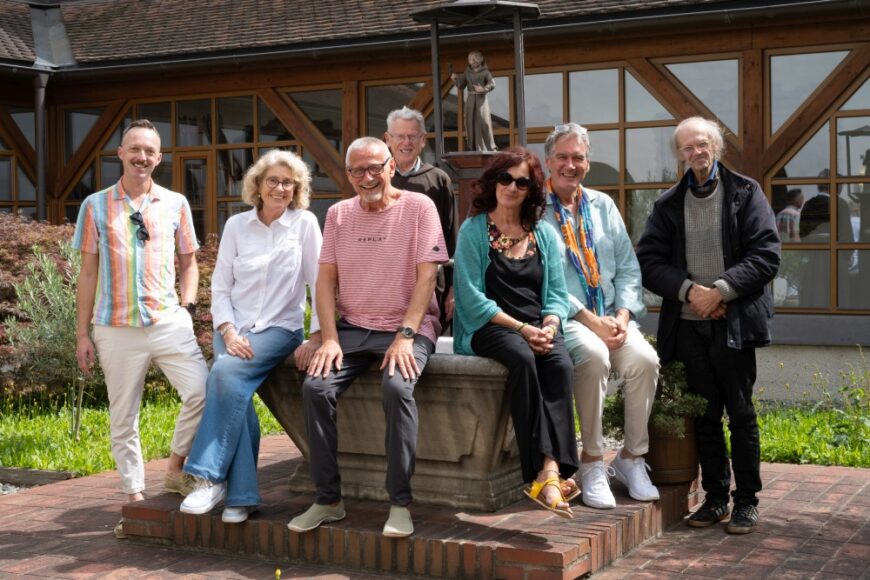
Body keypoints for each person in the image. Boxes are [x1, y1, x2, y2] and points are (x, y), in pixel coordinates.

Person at [287, 137, 447, 538]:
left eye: (375, 167)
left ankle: (400, 504)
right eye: (357, 170)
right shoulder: (338, 214)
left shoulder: (419, 207)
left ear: (392, 166)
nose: (367, 176)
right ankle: (328, 500)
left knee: (396, 387)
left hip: (406, 327)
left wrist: (407, 335)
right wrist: (327, 338)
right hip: (353, 329)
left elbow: (428, 275)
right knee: (316, 388)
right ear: (348, 175)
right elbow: (324, 282)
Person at [636, 117, 780, 535]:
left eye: (701, 145)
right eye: (686, 148)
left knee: (740, 413)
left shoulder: (746, 193)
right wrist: (690, 293)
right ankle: (715, 498)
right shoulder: (667, 204)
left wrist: (719, 291)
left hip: (733, 321)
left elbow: (766, 254)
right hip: (686, 324)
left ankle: (746, 502)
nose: (695, 153)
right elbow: (649, 262)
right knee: (704, 416)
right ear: (679, 155)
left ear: (715, 146)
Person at [73, 119, 208, 538]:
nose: (142, 157)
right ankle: (134, 498)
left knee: (203, 391)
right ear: (120, 153)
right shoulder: (95, 206)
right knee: (123, 416)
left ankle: (175, 467)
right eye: (135, 149)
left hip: (168, 320)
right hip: (115, 327)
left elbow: (190, 261)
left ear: (160, 158)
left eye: (150, 151)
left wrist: (186, 307)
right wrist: (81, 333)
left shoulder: (176, 204)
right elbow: (88, 272)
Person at [178, 150, 322, 523]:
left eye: (288, 182)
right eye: (272, 180)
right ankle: (241, 496)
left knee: (223, 375)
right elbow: (221, 287)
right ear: (257, 186)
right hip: (232, 327)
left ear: (297, 189)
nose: (280, 188)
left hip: (279, 330)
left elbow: (319, 286)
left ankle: (207, 477)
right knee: (235, 396)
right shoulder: (237, 226)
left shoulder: (305, 224)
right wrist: (226, 329)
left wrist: (318, 334)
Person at [453, 146, 579, 519]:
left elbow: (557, 295)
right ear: (493, 182)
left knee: (559, 362)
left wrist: (550, 326)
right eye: (505, 178)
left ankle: (551, 472)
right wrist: (524, 329)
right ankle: (542, 472)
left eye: (521, 182)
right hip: (489, 326)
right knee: (523, 358)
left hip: (537, 326)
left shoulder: (542, 234)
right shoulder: (474, 230)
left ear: (531, 190)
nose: (511, 186)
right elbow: (470, 299)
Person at [541, 124, 661, 509]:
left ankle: (631, 458)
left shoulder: (603, 205)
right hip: (569, 318)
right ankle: (591, 462)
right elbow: (544, 280)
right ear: (548, 162)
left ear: (587, 163)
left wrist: (623, 316)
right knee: (593, 358)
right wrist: (592, 321)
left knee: (645, 360)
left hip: (613, 316)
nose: (570, 164)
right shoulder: (535, 210)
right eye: (562, 156)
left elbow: (627, 266)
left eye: (578, 157)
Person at [385, 106, 456, 323]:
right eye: (399, 136)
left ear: (423, 140)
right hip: (386, 281)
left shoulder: (438, 180)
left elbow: (449, 235)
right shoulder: (376, 179)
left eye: (412, 136)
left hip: (430, 281)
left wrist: (453, 287)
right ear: (388, 139)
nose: (406, 142)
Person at [451, 50, 497, 152]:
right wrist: (455, 79)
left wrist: (484, 89)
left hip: (481, 100)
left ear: (481, 59)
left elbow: (492, 83)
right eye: (471, 59)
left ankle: (490, 146)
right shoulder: (467, 72)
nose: (473, 60)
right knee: (470, 121)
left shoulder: (485, 72)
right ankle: (475, 146)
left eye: (476, 58)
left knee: (483, 121)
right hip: (471, 100)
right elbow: (461, 85)